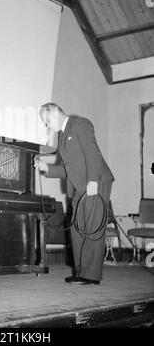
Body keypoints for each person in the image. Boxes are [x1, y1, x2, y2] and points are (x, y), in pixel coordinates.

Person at [35, 103, 114, 285]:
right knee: (77, 228)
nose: (47, 125)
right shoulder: (63, 137)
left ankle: (91, 276)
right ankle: (80, 271)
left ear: (54, 113)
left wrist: (93, 180)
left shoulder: (79, 124)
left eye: (47, 121)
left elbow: (92, 153)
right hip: (80, 186)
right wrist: (47, 168)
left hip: (96, 181)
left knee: (93, 228)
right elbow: (68, 168)